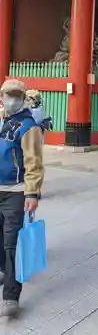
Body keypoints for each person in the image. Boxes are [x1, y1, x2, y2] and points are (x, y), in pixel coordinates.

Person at [0, 79, 44, 317]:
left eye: (16, 95)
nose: (11, 99)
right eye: (8, 95)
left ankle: (10, 296)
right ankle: (4, 269)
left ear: (23, 97)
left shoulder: (29, 126)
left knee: (11, 243)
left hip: (15, 192)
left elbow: (34, 162)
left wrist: (32, 192)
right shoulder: (2, 118)